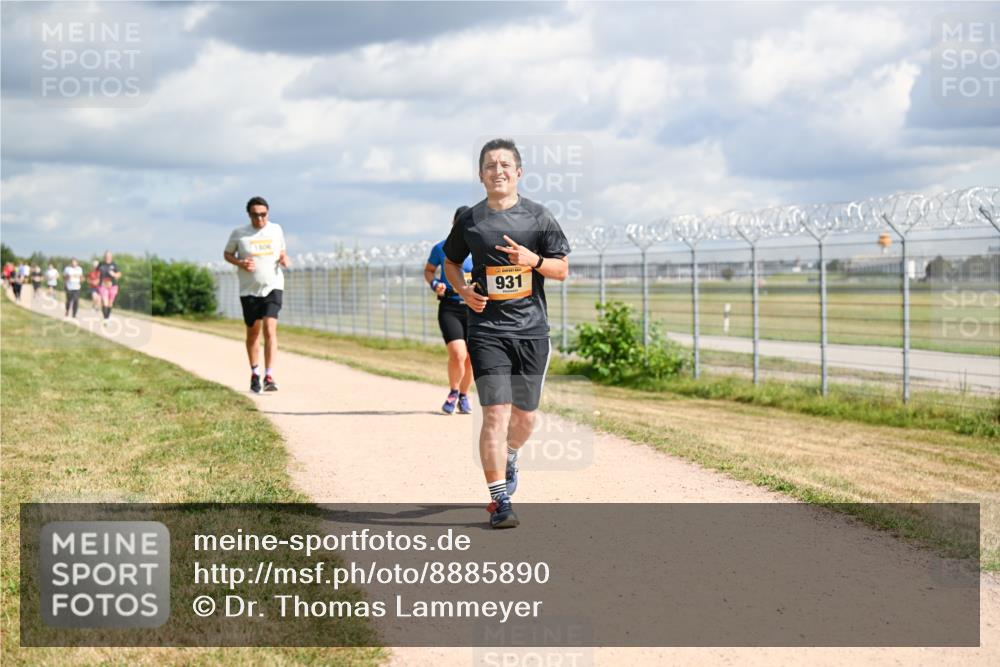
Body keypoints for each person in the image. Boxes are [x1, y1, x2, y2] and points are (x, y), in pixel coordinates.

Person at [443, 138, 570, 529]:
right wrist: (464, 291)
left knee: (524, 419)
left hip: (531, 330)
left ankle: (511, 455)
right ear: (480, 175)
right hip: (486, 330)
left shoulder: (539, 217)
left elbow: (562, 269)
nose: (498, 171)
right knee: (494, 413)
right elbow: (450, 262)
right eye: (490, 165)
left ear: (519, 172)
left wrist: (533, 261)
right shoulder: (470, 220)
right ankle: (500, 501)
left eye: (505, 165)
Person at [223, 196, 289, 393]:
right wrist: (241, 263)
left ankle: (269, 376)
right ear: (249, 215)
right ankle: (255, 373)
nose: (260, 219)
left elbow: (282, 250)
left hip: (273, 285)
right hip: (249, 290)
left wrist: (284, 258)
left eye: (263, 215)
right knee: (253, 333)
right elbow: (227, 254)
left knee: (270, 329)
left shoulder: (276, 230)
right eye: (255, 215)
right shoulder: (239, 234)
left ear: (268, 213)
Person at [425, 206, 475, 415]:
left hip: (474, 308)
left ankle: (464, 395)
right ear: (454, 224)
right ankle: (453, 391)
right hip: (450, 307)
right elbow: (428, 271)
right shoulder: (441, 248)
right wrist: (435, 283)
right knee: (458, 354)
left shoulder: (480, 248)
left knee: (471, 357)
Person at [96, 251, 122, 324]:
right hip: (103, 285)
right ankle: (106, 319)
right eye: (106, 256)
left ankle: (107, 317)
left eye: (109, 256)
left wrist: (114, 274)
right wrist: (96, 279)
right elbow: (96, 273)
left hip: (113, 285)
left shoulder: (114, 265)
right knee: (105, 302)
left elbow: (119, 274)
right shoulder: (101, 264)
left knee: (110, 303)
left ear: (111, 257)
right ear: (104, 256)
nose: (107, 257)